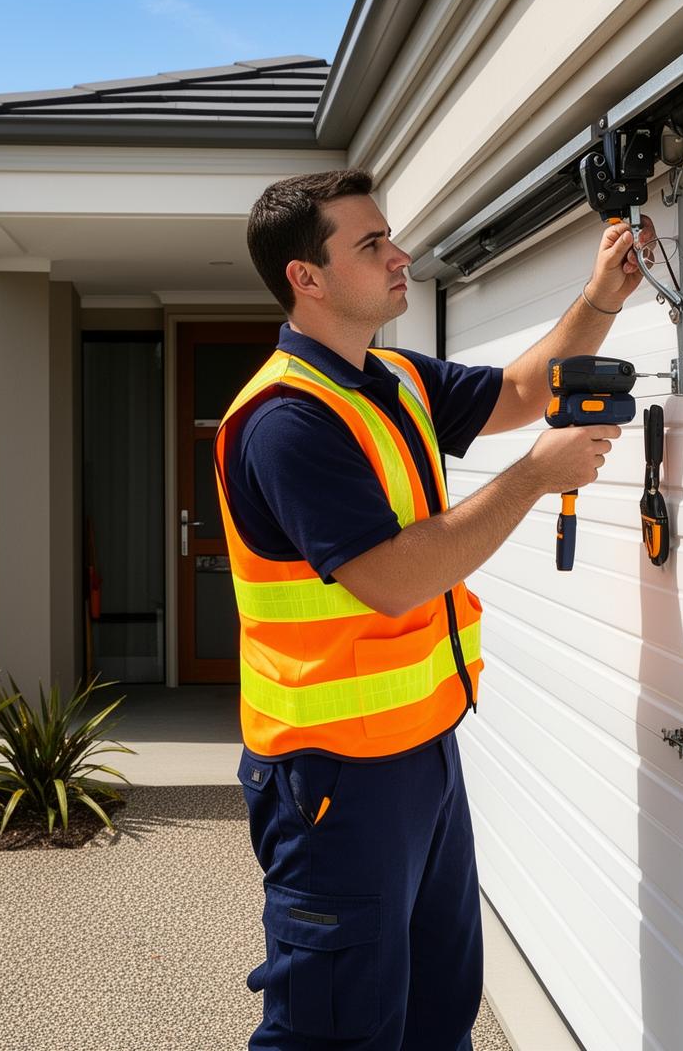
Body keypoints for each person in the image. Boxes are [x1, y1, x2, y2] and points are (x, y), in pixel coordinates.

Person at [220, 168, 649, 1050]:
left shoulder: (395, 379)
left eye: (390, 237)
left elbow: (524, 391)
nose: (399, 254)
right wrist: (536, 473)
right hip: (333, 776)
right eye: (370, 244)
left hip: (422, 753)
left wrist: (601, 294)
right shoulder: (286, 419)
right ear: (307, 277)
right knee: (333, 1031)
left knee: (435, 1012)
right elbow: (390, 578)